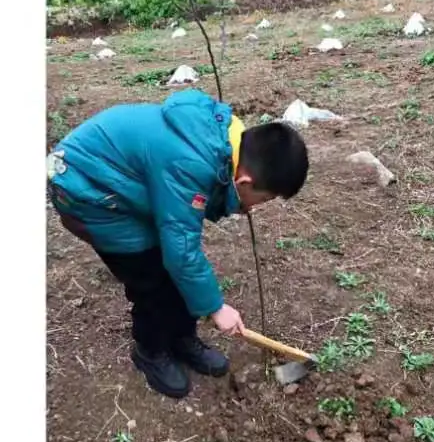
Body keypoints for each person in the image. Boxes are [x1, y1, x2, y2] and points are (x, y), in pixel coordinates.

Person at [47, 91, 309, 398]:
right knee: (150, 278)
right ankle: (151, 350)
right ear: (245, 182)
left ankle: (182, 338)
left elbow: (189, 215)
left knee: (174, 268)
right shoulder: (190, 163)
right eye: (262, 200)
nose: (254, 208)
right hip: (85, 191)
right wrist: (216, 308)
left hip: (121, 180)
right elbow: (182, 253)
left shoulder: (225, 142)